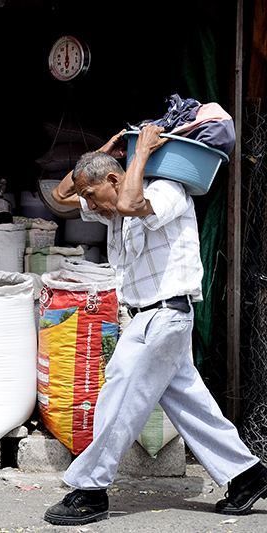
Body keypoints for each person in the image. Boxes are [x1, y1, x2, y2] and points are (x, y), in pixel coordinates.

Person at [44, 124, 267, 525]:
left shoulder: (166, 190)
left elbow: (132, 202)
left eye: (92, 195)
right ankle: (247, 476)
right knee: (191, 406)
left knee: (119, 396)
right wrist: (103, 152)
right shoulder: (112, 201)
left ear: (114, 180)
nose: (89, 206)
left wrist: (142, 151)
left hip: (164, 314)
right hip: (152, 317)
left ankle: (90, 491)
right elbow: (60, 196)